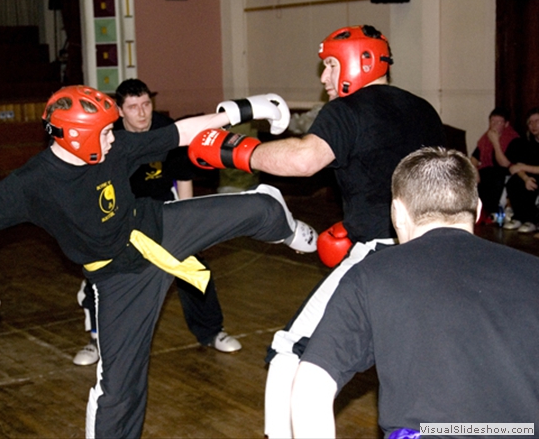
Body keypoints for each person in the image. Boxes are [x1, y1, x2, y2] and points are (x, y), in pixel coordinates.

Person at [0, 85, 318, 438]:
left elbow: (181, 133)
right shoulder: (32, 182)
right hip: (118, 281)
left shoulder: (115, 145)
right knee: (119, 389)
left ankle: (286, 227)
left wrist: (242, 109)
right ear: (78, 136)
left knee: (259, 207)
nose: (112, 137)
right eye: (103, 131)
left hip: (154, 229)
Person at [185, 24, 447, 438]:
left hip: (386, 255)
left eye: (328, 65)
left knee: (291, 354)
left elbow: (305, 159)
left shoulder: (349, 109)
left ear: (358, 62)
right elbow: (406, 177)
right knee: (416, 360)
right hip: (441, 253)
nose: (324, 78)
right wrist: (354, 223)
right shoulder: (424, 110)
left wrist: (234, 150)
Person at [291, 147, 539, 439]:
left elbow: (312, 383)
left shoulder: (370, 275)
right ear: (478, 208)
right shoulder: (533, 269)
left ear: (396, 212)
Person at [72, 79, 241, 367]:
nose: (142, 113)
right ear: (120, 111)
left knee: (194, 269)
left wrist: (189, 224)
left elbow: (183, 175)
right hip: (121, 216)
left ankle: (212, 332)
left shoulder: (167, 129)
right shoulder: (110, 139)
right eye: (133, 107)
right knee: (101, 274)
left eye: (146, 104)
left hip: (162, 210)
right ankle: (96, 340)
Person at [470, 107, 518, 222]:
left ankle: (494, 212)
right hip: (487, 173)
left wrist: (495, 142)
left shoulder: (513, 139)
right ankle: (481, 212)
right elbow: (474, 158)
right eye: (492, 121)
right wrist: (474, 169)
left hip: (505, 174)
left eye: (499, 122)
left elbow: (504, 164)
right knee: (477, 176)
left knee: (494, 176)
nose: (495, 125)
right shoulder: (485, 139)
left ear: (506, 124)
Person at [503, 107, 539, 234]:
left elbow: (522, 166)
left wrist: (524, 169)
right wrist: (525, 178)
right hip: (528, 175)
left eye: (537, 121)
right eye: (530, 122)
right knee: (514, 182)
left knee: (533, 183)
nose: (533, 125)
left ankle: (532, 220)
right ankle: (518, 218)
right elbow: (515, 166)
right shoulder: (525, 143)